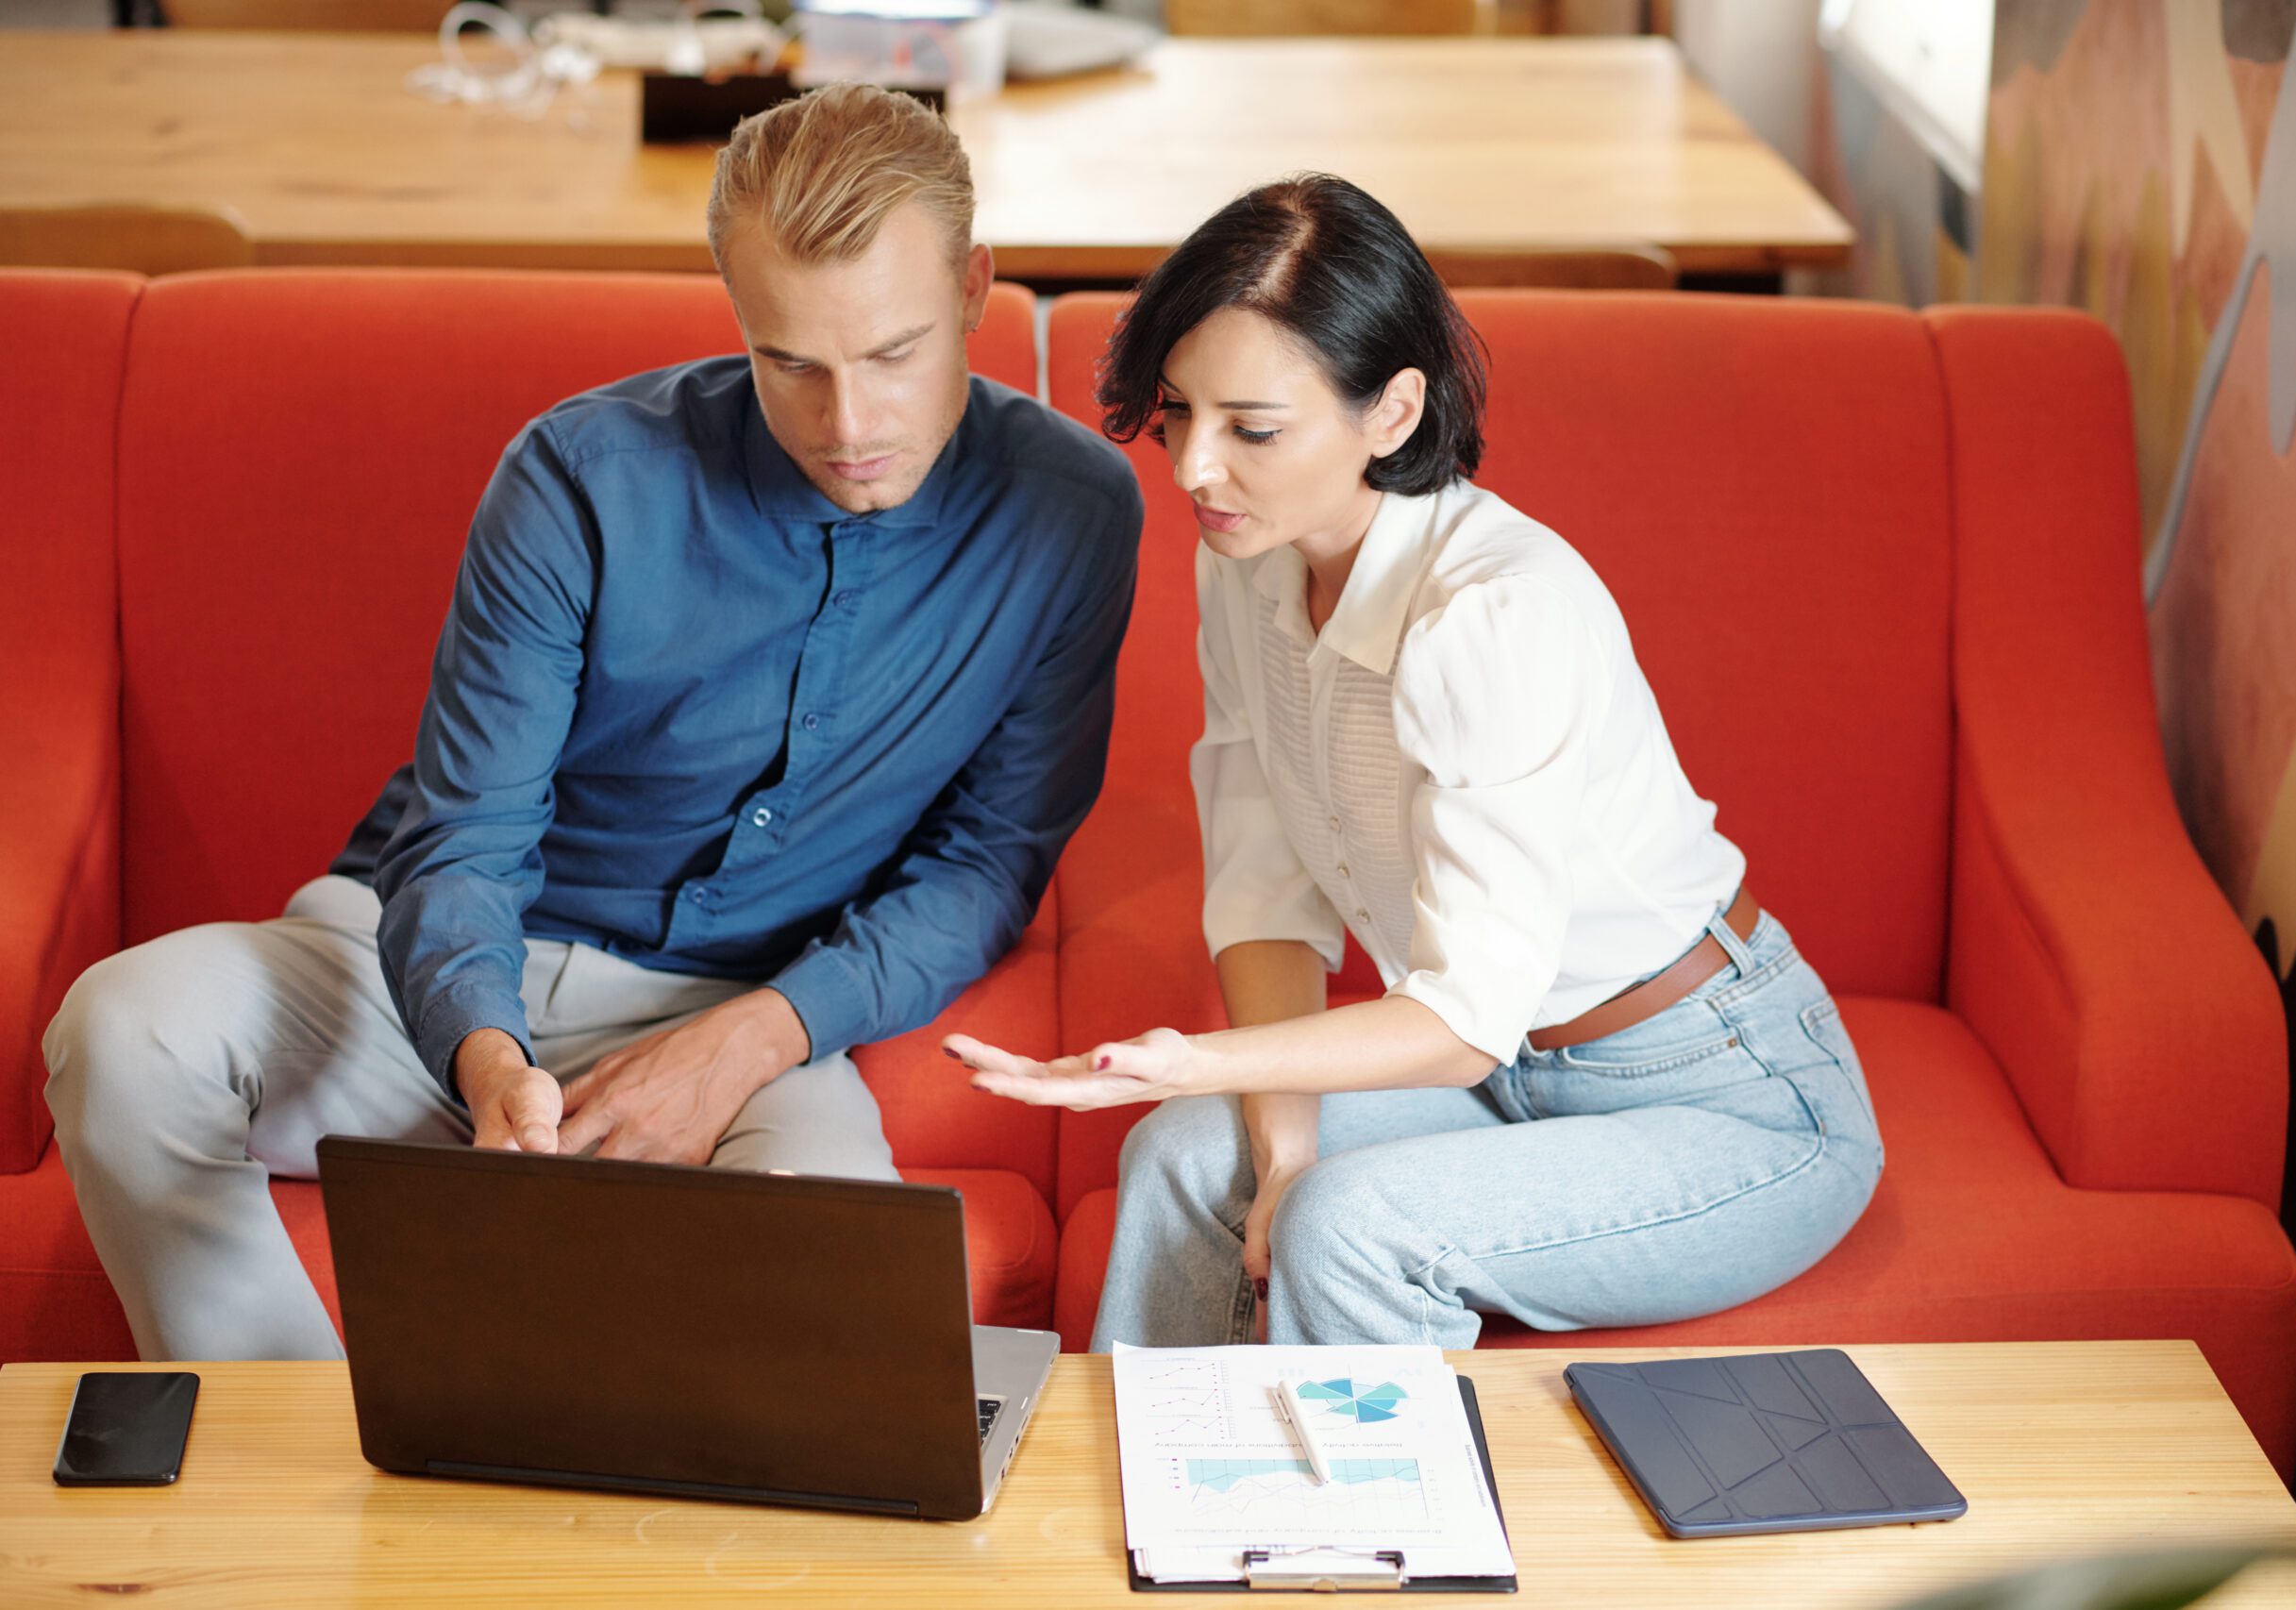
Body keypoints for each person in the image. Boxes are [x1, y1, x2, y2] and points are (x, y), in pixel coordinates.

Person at [41, 85, 1143, 1363]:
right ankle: (296, 1453)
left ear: (972, 288)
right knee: (119, 1030)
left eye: (893, 354)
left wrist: (750, 1039)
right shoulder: (578, 475)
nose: (849, 426)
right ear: (737, 312)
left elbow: (988, 862)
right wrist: (486, 1058)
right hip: (423, 977)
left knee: (841, 1294)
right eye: (792, 361)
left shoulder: (1073, 513)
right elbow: (466, 835)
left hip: (746, 1010)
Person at [949, 175, 1882, 1350]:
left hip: (1720, 1091)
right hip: (1501, 1081)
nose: (1191, 467)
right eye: (1178, 410)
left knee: (1346, 1219)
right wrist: (1277, 1141)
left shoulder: (1492, 617)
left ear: (1391, 411)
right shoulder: (1245, 558)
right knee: (1189, 1155)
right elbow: (1263, 882)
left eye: (1253, 428)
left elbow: (1462, 1015)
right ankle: (1158, 1500)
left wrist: (1184, 1059)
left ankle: (1345, 1535)